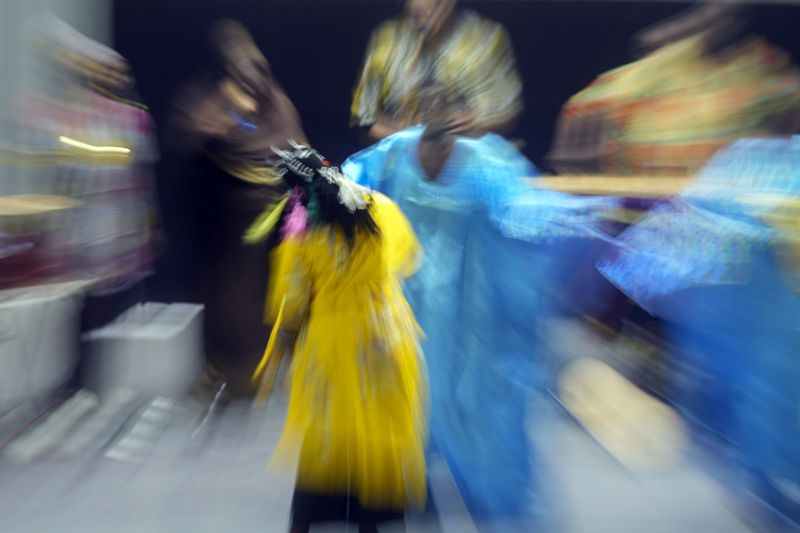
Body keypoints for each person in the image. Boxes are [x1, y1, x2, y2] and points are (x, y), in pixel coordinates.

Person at [343, 90, 617, 524]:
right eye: (432, 114)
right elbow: (350, 186)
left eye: (451, 115)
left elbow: (521, 207)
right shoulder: (393, 155)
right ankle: (410, 484)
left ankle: (491, 494)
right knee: (407, 394)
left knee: (476, 399)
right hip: (407, 300)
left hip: (469, 309)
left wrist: (574, 216)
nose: (443, 124)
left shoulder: (485, 161)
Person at [248, 143, 427, 533]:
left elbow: (293, 311)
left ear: (296, 193)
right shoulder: (382, 208)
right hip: (388, 345)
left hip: (333, 352)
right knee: (377, 441)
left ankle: (312, 520)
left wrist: (274, 361)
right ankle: (375, 521)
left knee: (328, 444)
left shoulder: (301, 235)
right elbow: (409, 261)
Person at [168, 19, 307, 398]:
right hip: (221, 215)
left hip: (265, 212)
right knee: (224, 293)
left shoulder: (275, 102)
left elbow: (294, 146)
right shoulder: (217, 97)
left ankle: (251, 370)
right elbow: (192, 129)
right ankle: (223, 365)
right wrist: (227, 116)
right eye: (239, 65)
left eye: (255, 66)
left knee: (253, 293)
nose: (250, 74)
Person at [351, 0, 522, 142]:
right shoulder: (385, 41)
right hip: (398, 166)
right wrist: (405, 140)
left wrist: (477, 124)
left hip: (472, 164)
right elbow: (363, 121)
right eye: (417, 15)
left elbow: (510, 113)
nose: (428, 21)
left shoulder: (486, 40)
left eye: (437, 7)